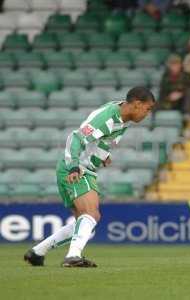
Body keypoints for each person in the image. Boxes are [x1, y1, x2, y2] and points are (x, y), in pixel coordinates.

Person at [23, 87, 155, 268]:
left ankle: (37, 252)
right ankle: (72, 256)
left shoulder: (122, 117)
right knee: (91, 214)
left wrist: (102, 155)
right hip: (77, 168)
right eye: (148, 109)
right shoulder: (107, 117)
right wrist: (74, 167)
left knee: (84, 221)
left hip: (84, 168)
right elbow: (75, 138)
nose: (148, 114)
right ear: (137, 104)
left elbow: (98, 140)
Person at [158, 55, 190, 122]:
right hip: (170, 102)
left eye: (177, 64)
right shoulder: (165, 77)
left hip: (184, 102)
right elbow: (162, 92)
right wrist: (169, 97)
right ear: (169, 66)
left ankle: (187, 114)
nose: (175, 67)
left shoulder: (187, 75)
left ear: (180, 65)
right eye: (172, 64)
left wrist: (181, 94)